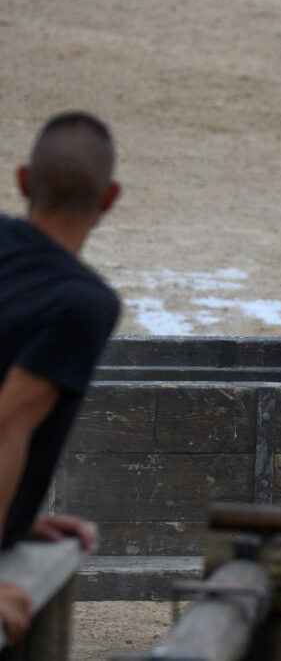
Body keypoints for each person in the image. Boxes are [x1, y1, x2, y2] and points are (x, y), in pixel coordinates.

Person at [0, 111, 122, 645]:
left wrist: (15, 518)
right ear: (109, 199)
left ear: (23, 180)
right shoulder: (81, 304)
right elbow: (6, 422)